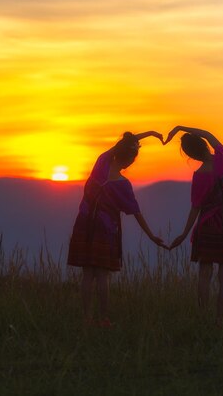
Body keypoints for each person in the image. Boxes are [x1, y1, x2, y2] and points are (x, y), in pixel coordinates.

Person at [68, 131, 166, 328]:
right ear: (130, 160)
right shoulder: (123, 185)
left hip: (84, 225)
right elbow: (136, 213)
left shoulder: (100, 165)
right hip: (105, 230)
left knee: (87, 275)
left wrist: (148, 134)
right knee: (103, 276)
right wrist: (151, 236)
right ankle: (103, 319)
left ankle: (86, 319)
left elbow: (121, 144)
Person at [165, 125, 223, 328]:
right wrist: (180, 128)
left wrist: (184, 234)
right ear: (204, 144)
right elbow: (209, 134)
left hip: (208, 228)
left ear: (190, 155)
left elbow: (196, 208)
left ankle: (202, 319)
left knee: (204, 276)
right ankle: (220, 321)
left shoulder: (199, 175)